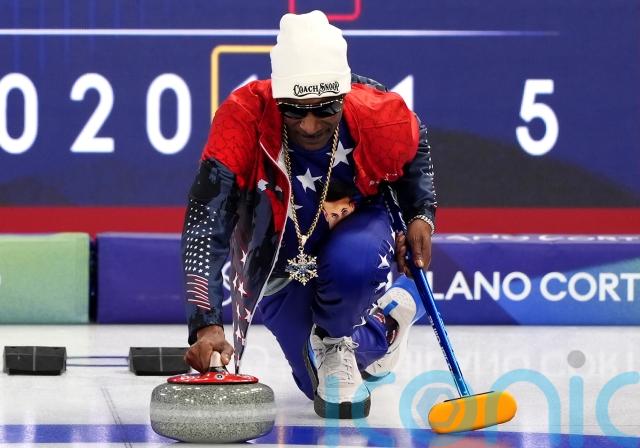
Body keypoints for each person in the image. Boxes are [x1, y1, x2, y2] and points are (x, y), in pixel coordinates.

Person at [182, 10, 437, 419]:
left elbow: (414, 152)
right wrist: (206, 323)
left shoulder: (379, 113)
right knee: (312, 382)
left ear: (345, 94)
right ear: (276, 95)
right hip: (277, 255)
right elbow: (205, 219)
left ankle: (339, 336)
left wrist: (420, 216)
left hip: (355, 229)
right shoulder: (241, 118)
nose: (311, 125)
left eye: (325, 108)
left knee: (350, 275)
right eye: (294, 109)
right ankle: (387, 324)